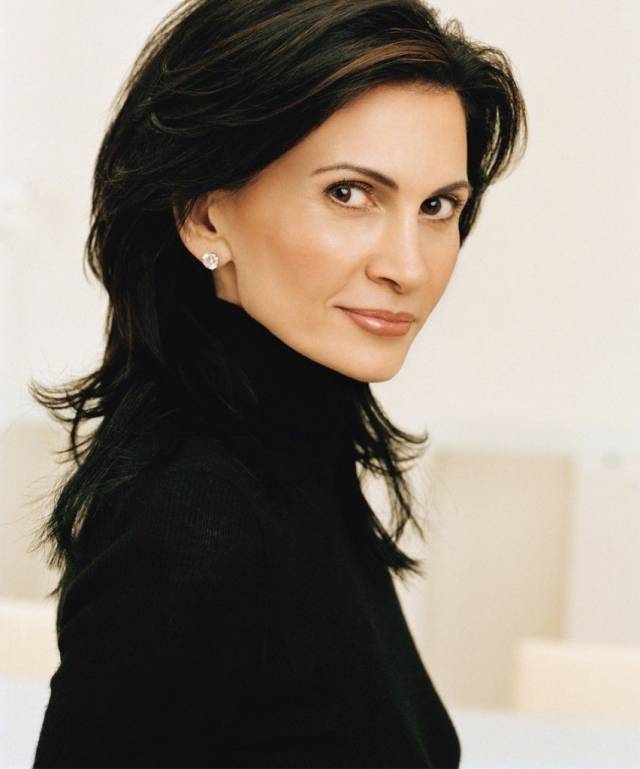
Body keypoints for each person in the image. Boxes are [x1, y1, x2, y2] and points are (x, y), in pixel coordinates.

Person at [29, 0, 527, 766]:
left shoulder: (298, 452)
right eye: (350, 193)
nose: (408, 266)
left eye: (438, 206)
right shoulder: (196, 523)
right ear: (204, 216)